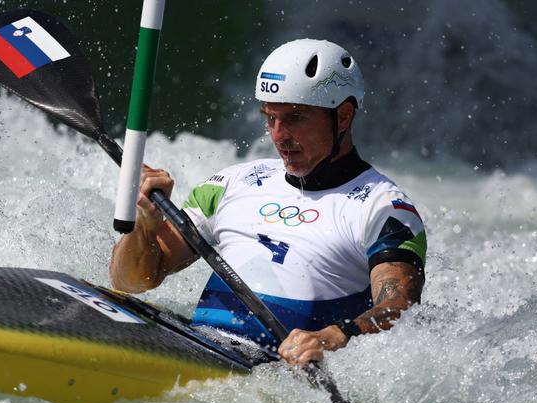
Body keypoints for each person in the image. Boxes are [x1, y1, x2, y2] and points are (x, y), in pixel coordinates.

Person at [110, 39, 426, 366]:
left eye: (295, 117)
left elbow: (399, 309)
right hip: (201, 350)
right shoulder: (231, 183)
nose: (278, 135)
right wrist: (144, 226)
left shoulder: (385, 208)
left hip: (276, 382)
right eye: (270, 117)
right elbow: (130, 282)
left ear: (343, 116)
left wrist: (332, 337)